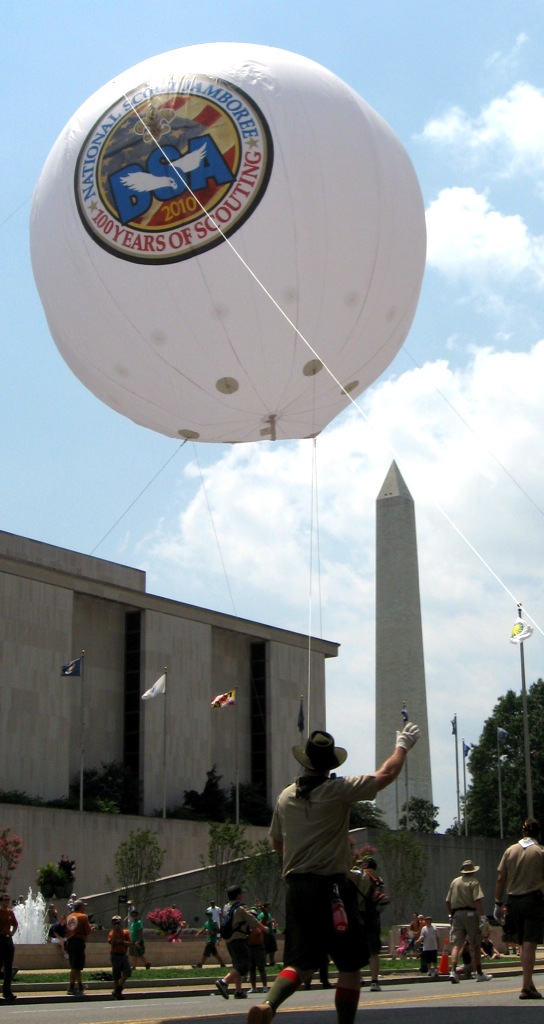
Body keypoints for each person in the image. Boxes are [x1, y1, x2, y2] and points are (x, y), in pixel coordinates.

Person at [246, 722, 421, 1024]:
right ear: (330, 765)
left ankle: (269, 1005)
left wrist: (302, 854)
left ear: (304, 761)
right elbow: (386, 774)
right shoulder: (337, 790)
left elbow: (277, 843)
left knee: (301, 963)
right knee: (350, 965)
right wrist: (402, 746)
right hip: (332, 890)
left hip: (296, 889)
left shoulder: (285, 796)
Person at [495, 816, 544, 1000]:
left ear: (523, 832)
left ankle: (529, 983)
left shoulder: (510, 850)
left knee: (522, 943)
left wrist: (497, 903)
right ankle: (525, 987)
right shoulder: (540, 851)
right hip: (533, 900)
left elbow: (501, 878)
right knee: (530, 943)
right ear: (538, 833)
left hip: (513, 901)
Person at [215, 884, 268, 1001]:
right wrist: (264, 928)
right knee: (245, 965)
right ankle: (224, 982)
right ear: (238, 895)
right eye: (241, 893)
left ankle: (238, 991)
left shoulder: (226, 907)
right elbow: (252, 920)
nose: (243, 895)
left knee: (237, 965)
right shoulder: (240, 908)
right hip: (238, 940)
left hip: (229, 940)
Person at [446, 859, 492, 984]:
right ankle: (479, 973)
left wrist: (451, 915)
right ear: (473, 871)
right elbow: (477, 900)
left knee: (457, 944)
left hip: (457, 914)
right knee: (476, 943)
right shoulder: (474, 882)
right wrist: (482, 917)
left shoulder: (455, 882)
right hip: (471, 913)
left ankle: (453, 971)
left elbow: (448, 901)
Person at [350, 856, 384, 991]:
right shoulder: (379, 879)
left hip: (360, 914)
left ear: (365, 865)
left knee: (356, 948)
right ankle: (374, 982)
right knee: (374, 952)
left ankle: (358, 977)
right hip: (374, 916)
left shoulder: (360, 874)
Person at [65, 899, 92, 998]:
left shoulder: (69, 917)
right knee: (75, 967)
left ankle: (80, 986)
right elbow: (87, 931)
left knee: (76, 966)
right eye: (83, 907)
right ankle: (71, 987)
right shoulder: (83, 916)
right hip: (78, 942)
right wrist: (90, 928)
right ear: (81, 907)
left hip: (69, 942)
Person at [108, 915, 132, 1000]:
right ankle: (118, 993)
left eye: (118, 922)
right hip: (115, 954)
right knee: (116, 974)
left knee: (127, 971)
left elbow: (129, 943)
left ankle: (117, 989)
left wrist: (121, 942)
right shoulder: (111, 933)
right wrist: (115, 932)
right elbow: (111, 942)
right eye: (114, 922)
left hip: (123, 954)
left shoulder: (125, 932)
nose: (116, 923)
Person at [0, 894, 18, 1004]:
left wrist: (12, 933)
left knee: (8, 967)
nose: (7, 902)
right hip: (0, 939)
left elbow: (15, 924)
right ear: (1, 901)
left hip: (8, 940)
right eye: (5, 900)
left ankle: (7, 991)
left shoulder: (10, 912)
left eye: (8, 900)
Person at [248, 909, 270, 994]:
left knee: (261, 967)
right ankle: (253, 987)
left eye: (253, 915)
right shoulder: (246, 926)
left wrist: (263, 909)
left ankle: (265, 987)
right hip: (250, 948)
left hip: (259, 948)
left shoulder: (259, 924)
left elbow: (266, 916)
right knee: (251, 968)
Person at [258, 902, 278, 966]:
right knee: (265, 948)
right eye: (268, 907)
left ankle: (272, 961)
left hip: (270, 933)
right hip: (265, 934)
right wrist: (270, 921)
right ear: (265, 908)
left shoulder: (268, 914)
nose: (270, 908)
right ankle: (264, 962)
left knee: (272, 948)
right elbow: (261, 923)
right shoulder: (262, 914)